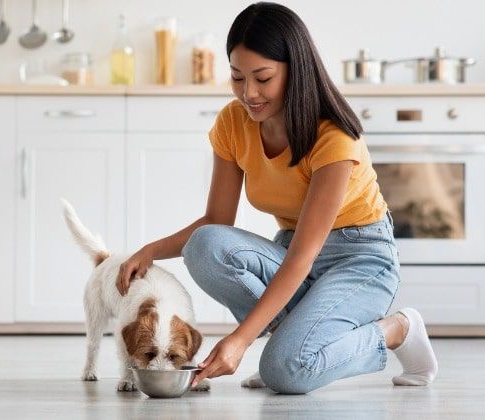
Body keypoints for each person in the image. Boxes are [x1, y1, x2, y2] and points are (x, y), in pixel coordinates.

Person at [116, 2, 438, 394]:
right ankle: (293, 345)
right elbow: (216, 220)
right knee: (205, 245)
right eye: (237, 77)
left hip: (359, 259)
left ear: (294, 70)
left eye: (263, 78)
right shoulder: (234, 123)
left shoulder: (333, 136)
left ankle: (396, 330)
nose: (248, 93)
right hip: (290, 251)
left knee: (286, 373)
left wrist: (240, 339)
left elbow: (305, 255)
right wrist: (149, 250)